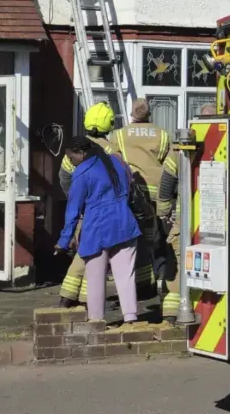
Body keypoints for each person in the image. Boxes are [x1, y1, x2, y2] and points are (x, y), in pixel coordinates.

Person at [55, 136, 141, 323]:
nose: (71, 162)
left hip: (97, 230)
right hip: (125, 224)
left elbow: (73, 210)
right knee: (126, 275)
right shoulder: (116, 163)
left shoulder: (82, 172)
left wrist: (63, 241)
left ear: (81, 153)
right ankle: (131, 319)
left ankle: (96, 321)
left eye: (71, 158)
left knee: (95, 280)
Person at [112, 99, 175, 305]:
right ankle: (161, 279)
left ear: (131, 114)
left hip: (134, 195)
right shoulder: (163, 135)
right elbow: (169, 166)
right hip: (158, 195)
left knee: (136, 241)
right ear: (150, 114)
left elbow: (115, 165)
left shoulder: (119, 135)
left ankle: (142, 285)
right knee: (159, 239)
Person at [158, 103, 217, 322]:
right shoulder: (229, 141)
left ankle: (173, 313)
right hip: (219, 221)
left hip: (186, 219)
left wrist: (163, 212)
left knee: (179, 261)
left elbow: (167, 182)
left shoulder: (181, 147)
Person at [58, 102, 116, 309]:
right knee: (94, 253)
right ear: (109, 124)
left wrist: (76, 199)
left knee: (87, 250)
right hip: (102, 210)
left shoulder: (77, 146)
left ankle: (71, 295)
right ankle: (78, 297)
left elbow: (64, 176)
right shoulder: (111, 149)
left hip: (83, 210)